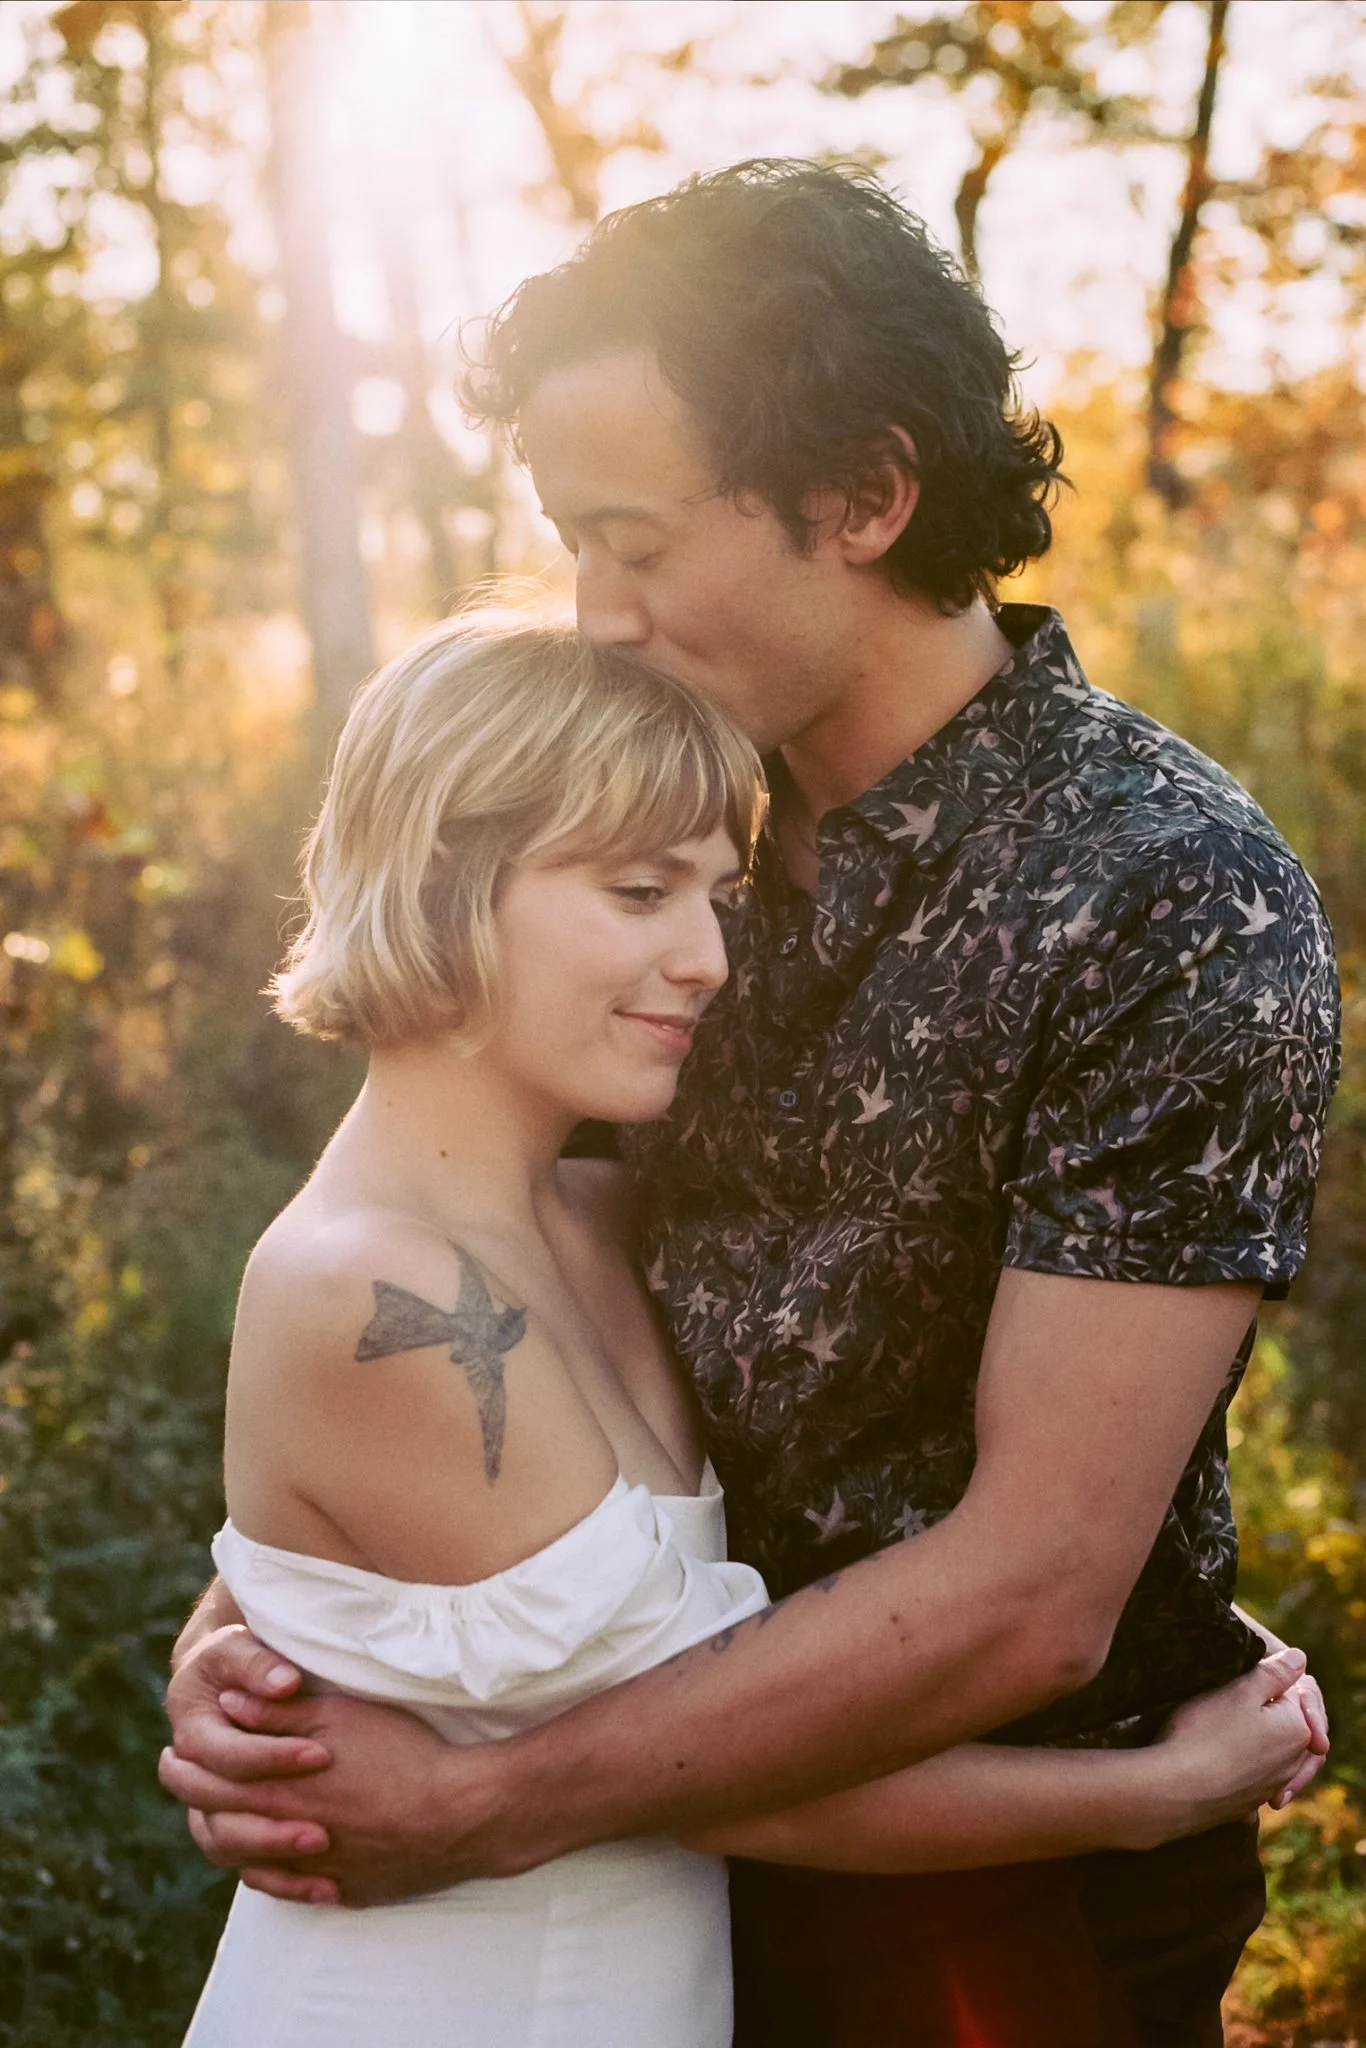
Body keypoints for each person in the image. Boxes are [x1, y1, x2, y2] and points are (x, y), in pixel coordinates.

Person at [162, 164, 1340, 2047]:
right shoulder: (647, 824)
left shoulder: (1166, 895)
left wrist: (476, 1793)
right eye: (569, 540)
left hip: (984, 1895)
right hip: (647, 1883)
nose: (595, 610)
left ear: (864, 496)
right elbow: (465, 1246)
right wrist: (295, 1630)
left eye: (634, 538)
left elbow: (1030, 1595)